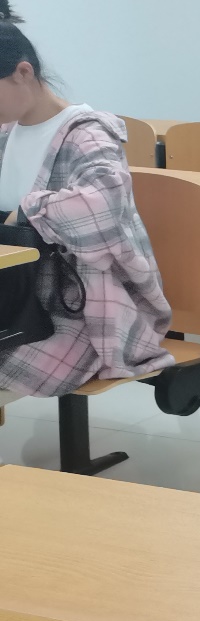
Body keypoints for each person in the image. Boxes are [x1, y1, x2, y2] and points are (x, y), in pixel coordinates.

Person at [0, 2, 173, 398]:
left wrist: (26, 211)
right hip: (17, 295)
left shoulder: (86, 133)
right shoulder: (6, 133)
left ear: (23, 72)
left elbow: (103, 209)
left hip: (77, 307)